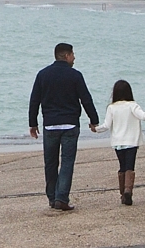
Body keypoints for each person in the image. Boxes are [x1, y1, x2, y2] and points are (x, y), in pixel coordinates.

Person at [28, 42, 100, 211]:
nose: (74, 58)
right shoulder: (75, 75)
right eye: (73, 54)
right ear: (66, 55)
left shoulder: (43, 75)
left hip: (50, 125)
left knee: (50, 162)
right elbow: (86, 99)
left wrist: (33, 123)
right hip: (70, 124)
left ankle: (52, 197)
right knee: (67, 162)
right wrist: (93, 119)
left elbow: (34, 100)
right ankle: (62, 197)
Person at [93, 79, 145, 205]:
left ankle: (123, 194)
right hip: (132, 142)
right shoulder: (133, 106)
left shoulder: (111, 108)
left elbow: (106, 125)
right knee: (130, 166)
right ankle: (128, 191)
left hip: (118, 143)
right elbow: (144, 116)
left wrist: (96, 129)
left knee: (122, 167)